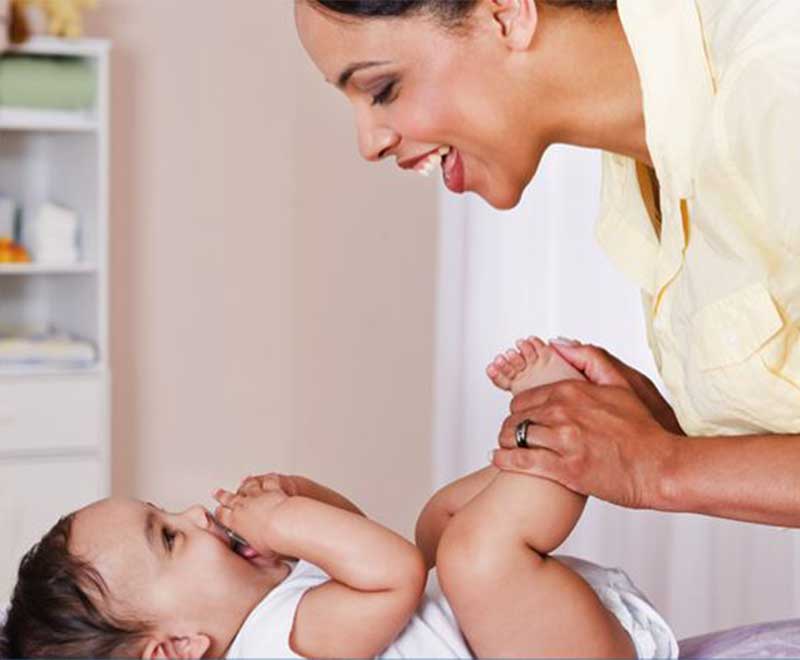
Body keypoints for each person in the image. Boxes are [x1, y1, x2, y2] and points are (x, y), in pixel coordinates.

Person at [294, 0, 800, 526]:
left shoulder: (776, 80)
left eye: (382, 89)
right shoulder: (642, 172)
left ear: (507, 14)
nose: (368, 143)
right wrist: (656, 430)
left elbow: (662, 470)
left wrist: (660, 467)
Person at [0, 338, 677, 659]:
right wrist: (289, 521)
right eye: (169, 537)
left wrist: (301, 500)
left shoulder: (277, 616)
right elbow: (394, 577)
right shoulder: (273, 649)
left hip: (523, 635)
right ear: (175, 648)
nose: (193, 513)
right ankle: (557, 437)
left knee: (437, 521)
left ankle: (543, 447)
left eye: (165, 509)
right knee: (472, 551)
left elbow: (363, 542)